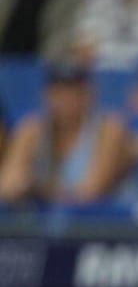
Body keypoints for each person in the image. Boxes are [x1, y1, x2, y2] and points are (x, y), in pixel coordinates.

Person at [0, 60, 131, 209]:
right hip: (40, 225)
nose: (66, 100)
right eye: (59, 92)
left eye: (74, 92)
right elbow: (7, 184)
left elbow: (91, 191)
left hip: (96, 223)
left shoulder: (109, 129)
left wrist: (37, 189)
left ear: (89, 94)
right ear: (46, 95)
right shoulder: (31, 129)